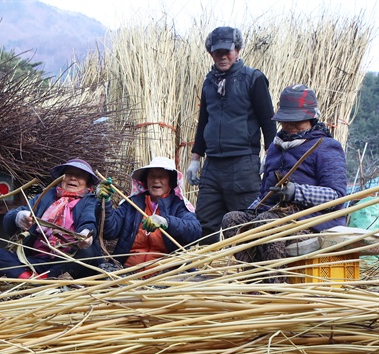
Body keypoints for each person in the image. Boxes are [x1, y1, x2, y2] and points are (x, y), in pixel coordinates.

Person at [221, 84, 347, 275]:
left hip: (311, 222)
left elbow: (337, 195)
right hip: (274, 215)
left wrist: (297, 192)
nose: (291, 126)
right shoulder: (275, 147)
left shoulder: (326, 147)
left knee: (266, 223)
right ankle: (252, 279)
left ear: (311, 119)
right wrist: (253, 209)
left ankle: (276, 286)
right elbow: (266, 194)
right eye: (287, 121)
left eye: (297, 121)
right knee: (233, 220)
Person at [186, 26, 276, 244]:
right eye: (217, 52)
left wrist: (270, 156)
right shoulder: (209, 82)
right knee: (204, 221)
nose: (223, 56)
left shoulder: (254, 79)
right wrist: (195, 160)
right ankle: (207, 271)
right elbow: (204, 122)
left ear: (238, 50)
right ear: (210, 53)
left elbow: (268, 121)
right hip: (213, 165)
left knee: (244, 221)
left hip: (243, 163)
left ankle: (247, 274)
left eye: (228, 51)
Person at [0, 158, 102, 279]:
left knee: (88, 254)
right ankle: (30, 279)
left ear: (87, 183)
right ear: (62, 177)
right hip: (38, 260)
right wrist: (19, 217)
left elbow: (89, 221)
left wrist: (85, 235)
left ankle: (44, 279)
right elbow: (11, 217)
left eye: (80, 175)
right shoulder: (47, 196)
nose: (73, 178)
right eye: (69, 174)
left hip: (67, 260)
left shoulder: (90, 201)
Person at [97, 156, 202, 269]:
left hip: (165, 274)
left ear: (171, 181)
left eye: (161, 176)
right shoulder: (132, 204)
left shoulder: (179, 205)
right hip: (127, 270)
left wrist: (166, 222)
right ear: (145, 181)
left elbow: (195, 231)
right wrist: (105, 202)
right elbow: (109, 232)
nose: (156, 180)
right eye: (152, 176)